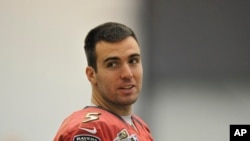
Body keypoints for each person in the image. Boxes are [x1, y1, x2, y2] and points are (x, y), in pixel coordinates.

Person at [53, 22, 154, 141]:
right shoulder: (89, 129)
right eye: (113, 64)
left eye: (133, 61)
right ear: (91, 75)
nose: (127, 74)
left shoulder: (139, 125)